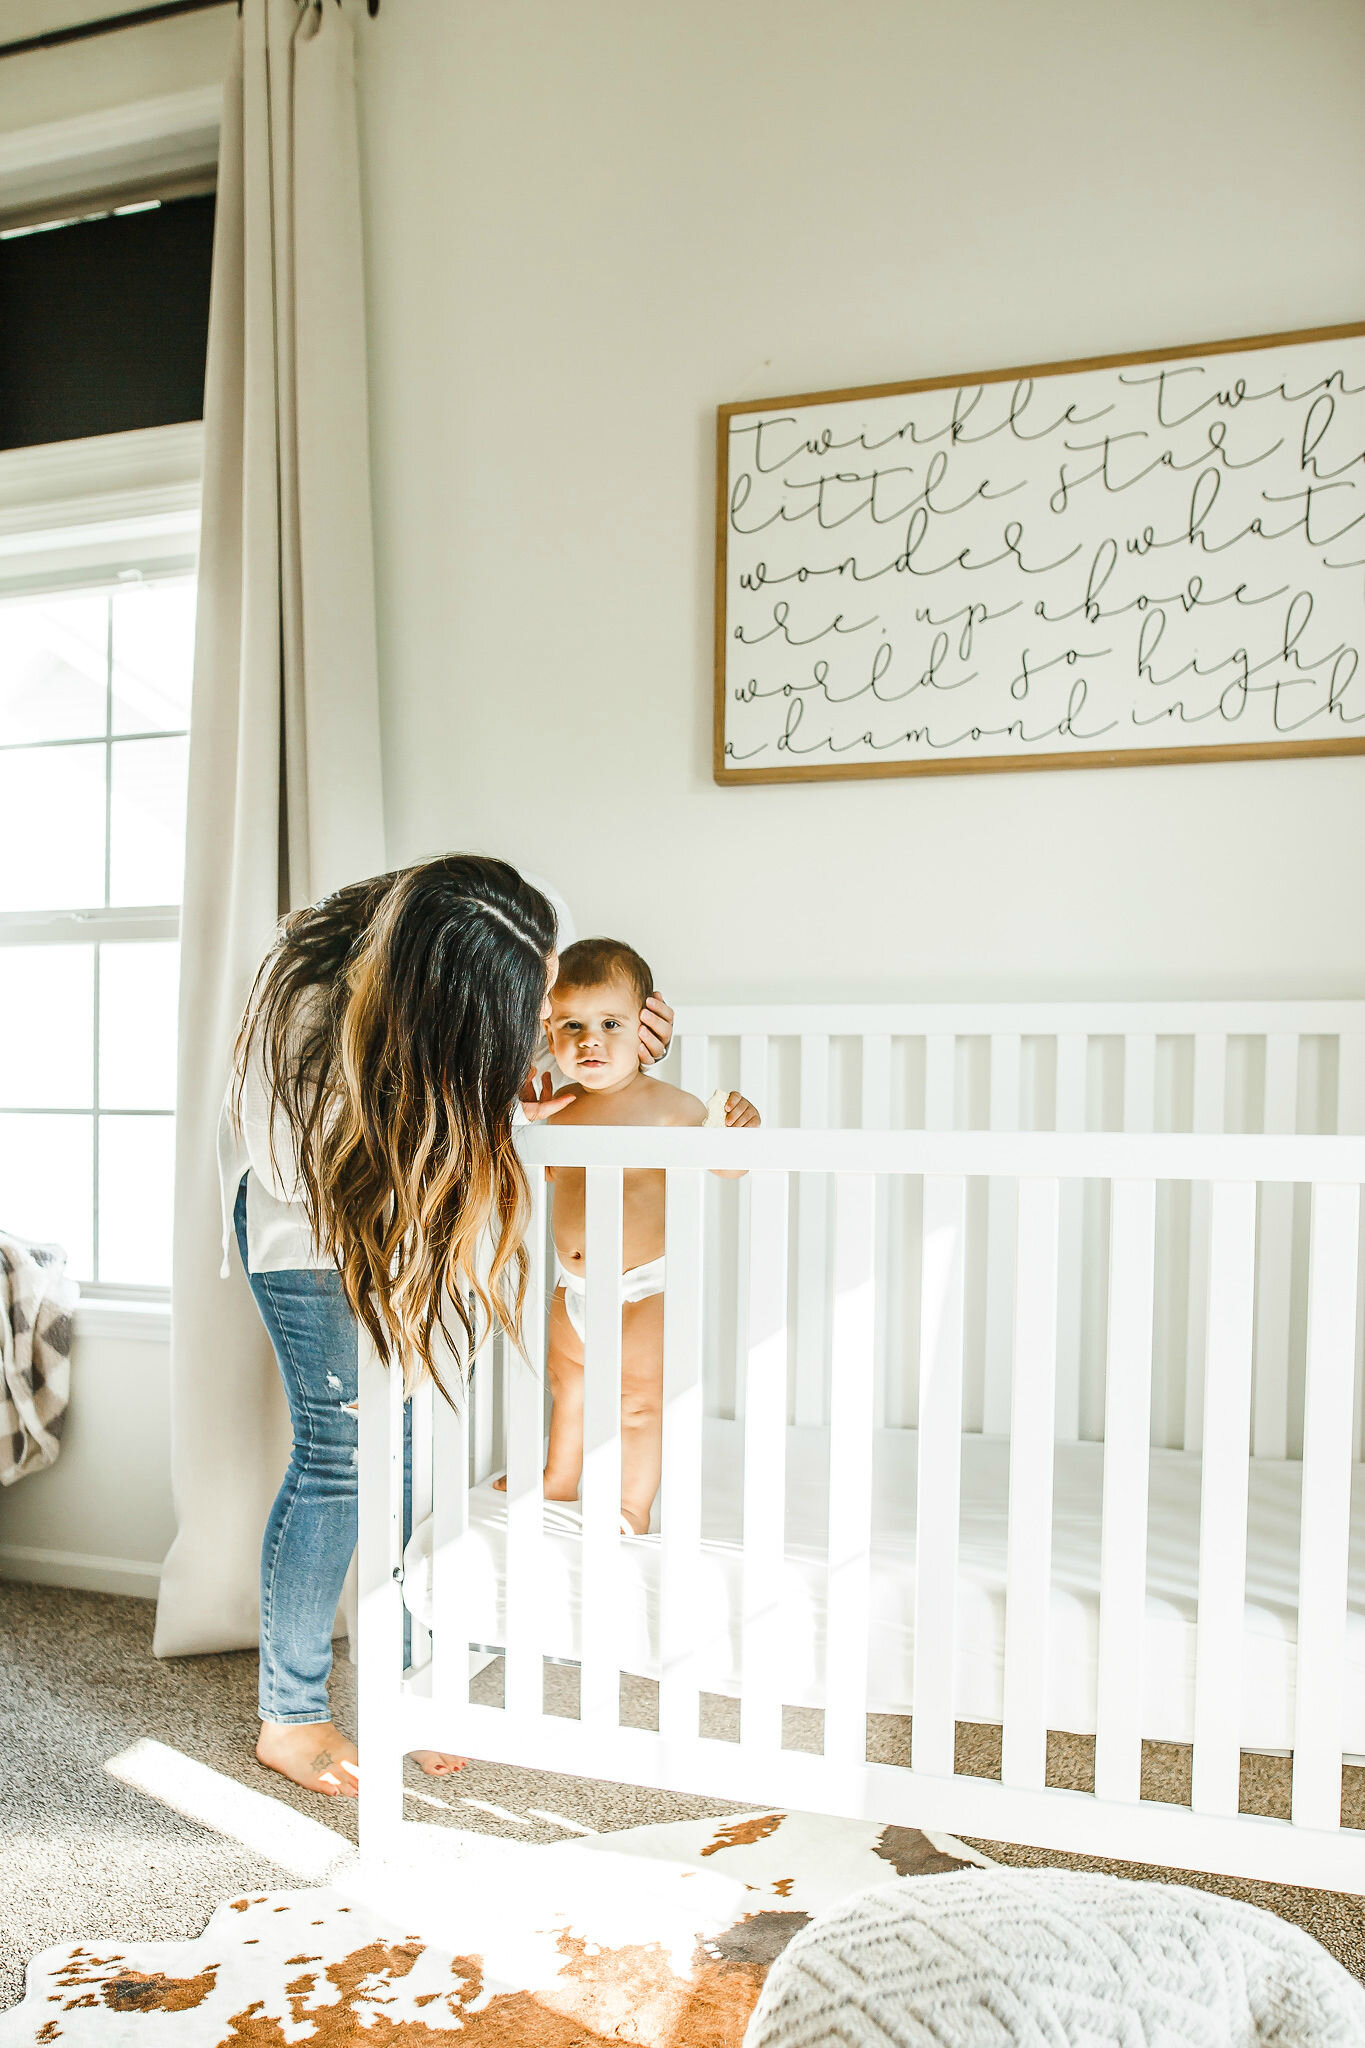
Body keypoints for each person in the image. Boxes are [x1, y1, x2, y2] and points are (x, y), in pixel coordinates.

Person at [220, 856, 679, 1798]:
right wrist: (484, 1108)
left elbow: (532, 1051)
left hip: (413, 1216)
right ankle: (292, 1712)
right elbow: (300, 1168)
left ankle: (407, 1685)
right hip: (310, 1228)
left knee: (412, 1457)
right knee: (342, 1459)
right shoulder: (304, 1010)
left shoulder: (506, 928)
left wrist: (584, 1067)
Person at [498, 935, 758, 1534]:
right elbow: (536, 1171)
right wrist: (521, 1119)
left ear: (646, 1027)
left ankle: (631, 1506)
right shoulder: (557, 1111)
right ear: (550, 1033)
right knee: (569, 1387)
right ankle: (559, 1478)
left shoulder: (669, 1108)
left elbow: (730, 1164)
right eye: (571, 1025)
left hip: (643, 1291)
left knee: (638, 1404)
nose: (590, 1040)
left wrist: (740, 1127)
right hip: (573, 1287)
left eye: (610, 1023)